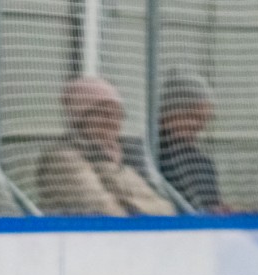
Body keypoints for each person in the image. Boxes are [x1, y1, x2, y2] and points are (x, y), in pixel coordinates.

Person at [35, 76, 175, 217]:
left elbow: (166, 209)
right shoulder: (63, 159)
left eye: (117, 114)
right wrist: (136, 211)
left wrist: (130, 207)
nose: (112, 121)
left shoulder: (119, 160)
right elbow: (103, 211)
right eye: (103, 113)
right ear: (80, 118)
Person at [157, 68, 225, 213]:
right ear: (168, 112)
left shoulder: (203, 164)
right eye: (193, 117)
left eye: (204, 119)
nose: (199, 126)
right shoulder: (154, 158)